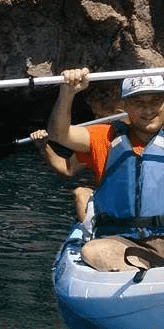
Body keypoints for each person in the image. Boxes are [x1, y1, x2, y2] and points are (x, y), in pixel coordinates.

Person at [47, 68, 164, 272]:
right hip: (121, 242)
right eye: (138, 103)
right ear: (125, 107)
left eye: (156, 101)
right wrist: (67, 93)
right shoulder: (105, 138)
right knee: (94, 251)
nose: (148, 110)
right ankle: (148, 271)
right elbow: (59, 134)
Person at [29, 128, 91, 222]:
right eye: (96, 115)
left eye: (100, 116)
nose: (96, 119)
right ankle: (91, 233)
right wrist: (44, 146)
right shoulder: (96, 138)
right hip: (107, 198)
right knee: (81, 194)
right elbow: (67, 169)